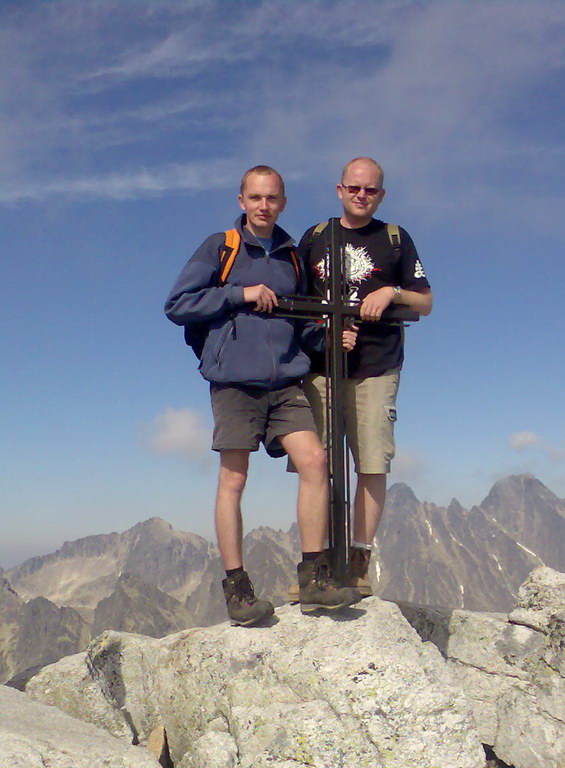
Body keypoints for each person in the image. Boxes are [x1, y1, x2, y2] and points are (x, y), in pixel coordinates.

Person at [164, 166, 360, 626]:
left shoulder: (292, 256)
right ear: (241, 201)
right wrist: (239, 293)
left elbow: (300, 327)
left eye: (271, 198)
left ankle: (314, 576)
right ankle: (237, 587)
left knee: (314, 461)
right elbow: (177, 305)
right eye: (255, 198)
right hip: (234, 382)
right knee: (233, 479)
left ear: (283, 203)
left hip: (285, 382)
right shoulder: (221, 247)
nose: (263, 206)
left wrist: (328, 339)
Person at [297, 157, 432, 596]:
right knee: (316, 466)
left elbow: (425, 303)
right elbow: (295, 304)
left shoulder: (395, 239)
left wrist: (391, 290)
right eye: (354, 188)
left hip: (377, 366)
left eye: (370, 190)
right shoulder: (315, 238)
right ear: (339, 190)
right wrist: (325, 333)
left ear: (381, 194)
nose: (361, 196)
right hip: (321, 369)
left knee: (371, 464)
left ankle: (358, 561)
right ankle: (315, 567)